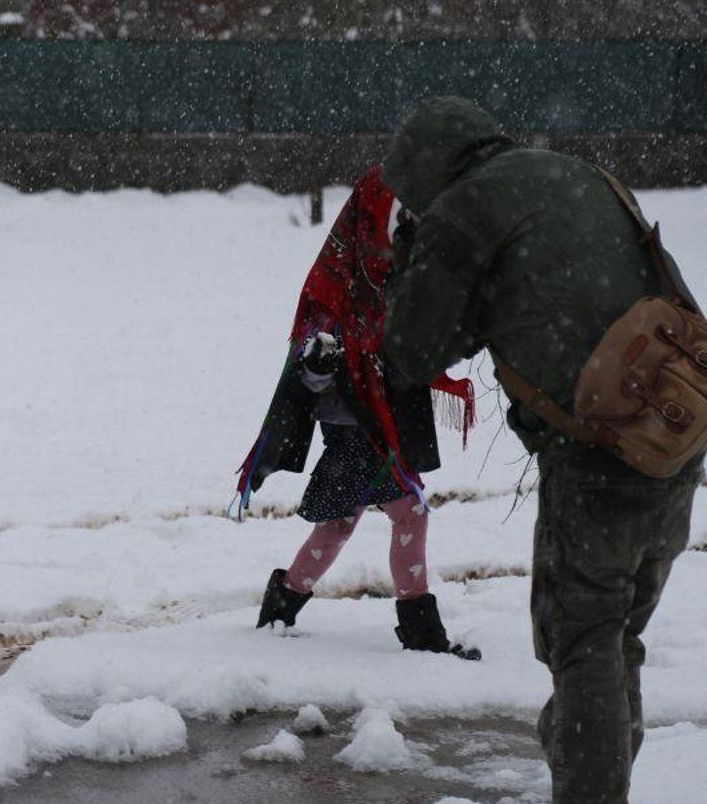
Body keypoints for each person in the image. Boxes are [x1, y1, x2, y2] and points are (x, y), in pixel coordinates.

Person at [381, 96, 703, 804]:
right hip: (675, 439)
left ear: (428, 173)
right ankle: (590, 770)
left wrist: (411, 256)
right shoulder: (575, 174)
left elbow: (414, 350)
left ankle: (589, 788)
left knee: (583, 643)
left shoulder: (465, 210)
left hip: (599, 458)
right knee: (613, 638)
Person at [238, 167, 479, 659]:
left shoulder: (403, 270)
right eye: (398, 211)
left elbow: (418, 336)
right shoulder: (341, 274)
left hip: (390, 411)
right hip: (354, 423)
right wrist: (321, 364)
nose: (406, 220)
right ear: (372, 213)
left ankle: (282, 606)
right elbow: (311, 363)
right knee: (407, 512)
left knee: (342, 522)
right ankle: (421, 635)